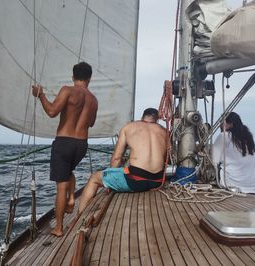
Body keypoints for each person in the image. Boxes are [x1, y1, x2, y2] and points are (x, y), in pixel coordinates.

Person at [32, 61, 98, 237]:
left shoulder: (67, 90)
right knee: (68, 171)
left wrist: (41, 95)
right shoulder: (93, 100)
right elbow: (90, 123)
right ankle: (70, 199)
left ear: (73, 77)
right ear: (89, 78)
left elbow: (52, 112)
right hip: (81, 145)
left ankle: (59, 227)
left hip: (64, 142)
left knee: (61, 185)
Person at [78, 108, 167, 214]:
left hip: (136, 182)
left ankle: (80, 215)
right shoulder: (164, 131)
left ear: (142, 117)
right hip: (157, 182)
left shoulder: (128, 127)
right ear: (157, 119)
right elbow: (166, 159)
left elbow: (116, 158)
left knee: (94, 178)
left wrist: (109, 183)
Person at [212, 112, 255, 194]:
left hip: (232, 184)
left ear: (230, 124)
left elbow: (213, 160)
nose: (219, 125)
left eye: (221, 122)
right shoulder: (249, 138)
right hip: (254, 185)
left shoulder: (224, 135)